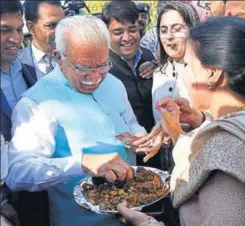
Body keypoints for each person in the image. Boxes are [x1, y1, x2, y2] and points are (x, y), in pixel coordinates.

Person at [117, 16, 245, 226]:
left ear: (212, 74)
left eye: (187, 65)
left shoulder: (225, 157)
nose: (184, 75)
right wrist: (197, 124)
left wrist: (145, 223)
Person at [5, 15, 144, 226]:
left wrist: (140, 137)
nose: (95, 77)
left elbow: (130, 121)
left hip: (135, 214)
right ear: (59, 58)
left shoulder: (114, 83)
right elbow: (18, 173)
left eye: (102, 65)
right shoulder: (37, 103)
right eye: (84, 68)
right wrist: (81, 162)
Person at [0, 1, 50, 226]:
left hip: (34, 186)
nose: (15, 38)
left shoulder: (29, 73)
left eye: (19, 29)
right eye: (4, 30)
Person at [102, 1, 160, 168]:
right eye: (118, 32)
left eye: (132, 30)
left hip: (156, 147)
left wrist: (159, 68)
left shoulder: (149, 57)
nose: (127, 38)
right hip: (123, 158)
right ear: (106, 33)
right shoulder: (101, 68)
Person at [19, 0, 65, 79]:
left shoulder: (76, 55)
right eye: (51, 25)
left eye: (63, 24)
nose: (61, 31)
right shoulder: (17, 63)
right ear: (31, 28)